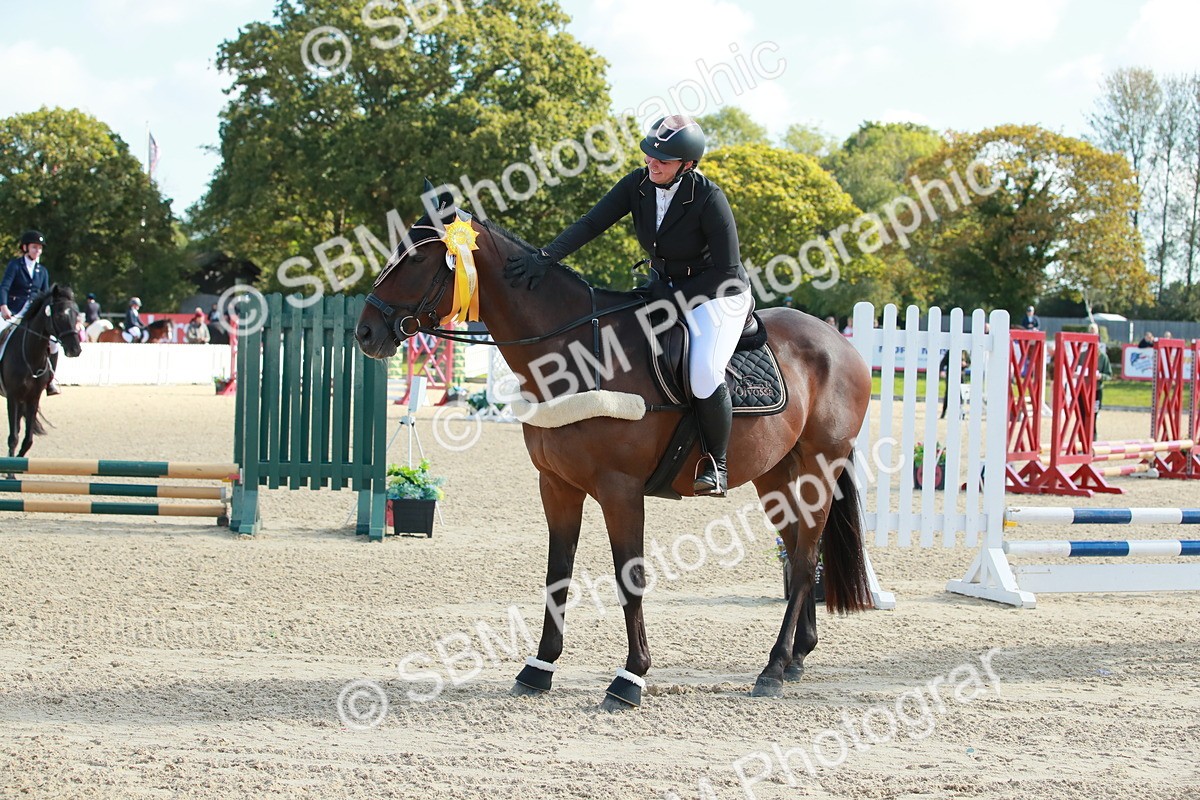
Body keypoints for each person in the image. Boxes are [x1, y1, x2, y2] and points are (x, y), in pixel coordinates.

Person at [503, 115, 750, 497]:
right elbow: (591, 224)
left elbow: (727, 271)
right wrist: (545, 257)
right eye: (649, 155)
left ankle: (716, 464)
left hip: (716, 294)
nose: (652, 163)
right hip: (664, 288)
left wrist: (676, 300)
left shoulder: (708, 198)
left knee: (704, 369)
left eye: (662, 160)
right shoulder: (638, 184)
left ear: (687, 165)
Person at [0, 230, 61, 395]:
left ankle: (50, 379)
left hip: (34, 314)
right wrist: (3, 306)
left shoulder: (43, 271)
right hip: (13, 311)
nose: (37, 251)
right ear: (25, 248)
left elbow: (46, 296)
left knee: (54, 344)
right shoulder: (15, 265)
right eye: (34, 247)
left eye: (40, 248)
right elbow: (4, 286)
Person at [1088, 323, 1112, 438]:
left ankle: (1093, 436)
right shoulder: (1083, 355)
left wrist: (1101, 376)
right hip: (1085, 390)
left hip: (1097, 390)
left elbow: (1109, 375)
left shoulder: (1103, 358)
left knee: (1094, 413)